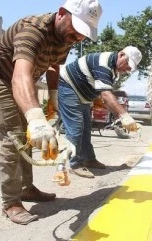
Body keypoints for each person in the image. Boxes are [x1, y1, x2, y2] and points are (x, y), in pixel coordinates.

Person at [0, 0, 102, 225]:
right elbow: (20, 76)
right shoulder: (33, 30)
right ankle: (11, 202)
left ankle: (26, 189)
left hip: (24, 80)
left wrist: (53, 96)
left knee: (28, 135)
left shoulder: (68, 36)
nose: (78, 38)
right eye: (76, 30)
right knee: (12, 138)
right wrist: (36, 117)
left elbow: (54, 66)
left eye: (83, 34)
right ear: (62, 13)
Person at [57, 46, 142, 178]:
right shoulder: (104, 63)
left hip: (82, 95)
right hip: (68, 88)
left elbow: (102, 89)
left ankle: (89, 159)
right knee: (76, 127)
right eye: (127, 65)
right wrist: (124, 115)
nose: (127, 69)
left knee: (86, 128)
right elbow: (106, 94)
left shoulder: (113, 68)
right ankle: (75, 164)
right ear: (121, 55)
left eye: (130, 68)